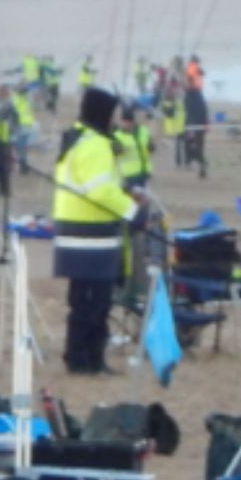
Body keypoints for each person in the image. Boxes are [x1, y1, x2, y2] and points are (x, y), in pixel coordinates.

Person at [53, 88, 140, 376]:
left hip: (77, 233)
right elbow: (100, 190)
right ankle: (85, 359)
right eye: (113, 113)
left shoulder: (79, 138)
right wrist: (132, 211)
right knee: (94, 302)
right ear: (102, 113)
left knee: (84, 300)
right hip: (90, 235)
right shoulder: (95, 144)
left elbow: (96, 184)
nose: (116, 119)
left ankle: (83, 358)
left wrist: (124, 192)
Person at [115, 104, 152, 191]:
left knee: (142, 198)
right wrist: (119, 150)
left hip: (144, 171)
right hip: (129, 174)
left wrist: (151, 146)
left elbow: (150, 147)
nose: (126, 124)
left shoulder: (143, 131)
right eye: (124, 121)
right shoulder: (117, 135)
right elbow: (114, 151)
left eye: (128, 121)